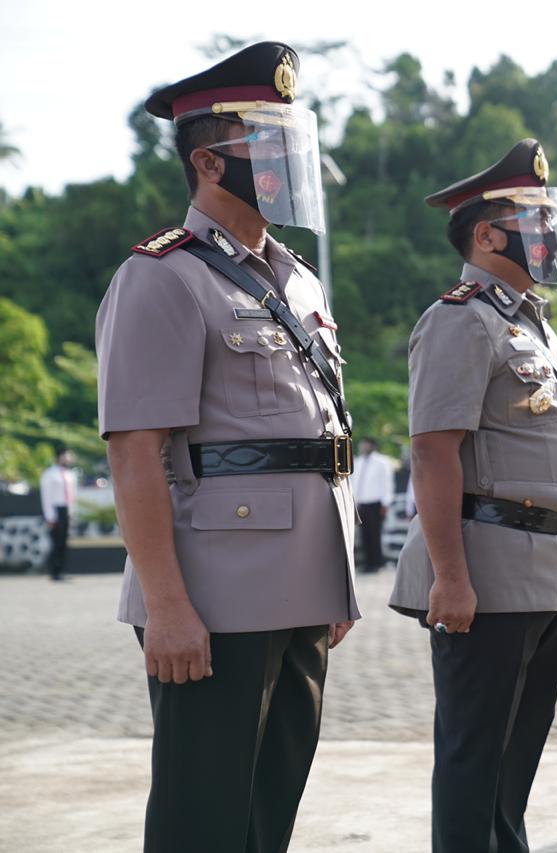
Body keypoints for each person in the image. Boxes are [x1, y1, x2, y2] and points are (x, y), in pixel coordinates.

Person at [95, 42, 359, 852]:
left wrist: (333, 579)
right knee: (200, 814)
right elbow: (136, 451)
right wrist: (168, 607)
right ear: (208, 161)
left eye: (290, 141)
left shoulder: (298, 280)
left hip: (300, 584)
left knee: (268, 806)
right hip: (213, 590)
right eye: (268, 143)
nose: (286, 161)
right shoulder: (162, 277)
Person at [389, 138, 557, 853]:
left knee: (516, 760)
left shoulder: (530, 320)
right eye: (533, 222)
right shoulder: (460, 317)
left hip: (544, 569)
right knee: (475, 758)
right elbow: (433, 449)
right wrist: (450, 576)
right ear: (487, 232)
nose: (547, 237)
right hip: (486, 572)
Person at [351, 438, 396, 572]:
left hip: (376, 503)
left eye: (366, 444)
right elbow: (354, 483)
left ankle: (377, 563)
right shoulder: (358, 462)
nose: (363, 447)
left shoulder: (382, 462)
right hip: (362, 503)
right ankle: (368, 562)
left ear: (372, 446)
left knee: (375, 534)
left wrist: (386, 503)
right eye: (362, 444)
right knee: (364, 535)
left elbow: (387, 483)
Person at [39, 447, 77, 581]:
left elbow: (72, 495)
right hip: (56, 509)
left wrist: (71, 512)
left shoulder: (70, 474)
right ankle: (54, 571)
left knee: (63, 542)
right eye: (67, 456)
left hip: (66, 509)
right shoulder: (50, 474)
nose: (69, 458)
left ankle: (61, 570)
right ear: (60, 457)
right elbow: (46, 496)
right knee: (55, 542)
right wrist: (50, 516)